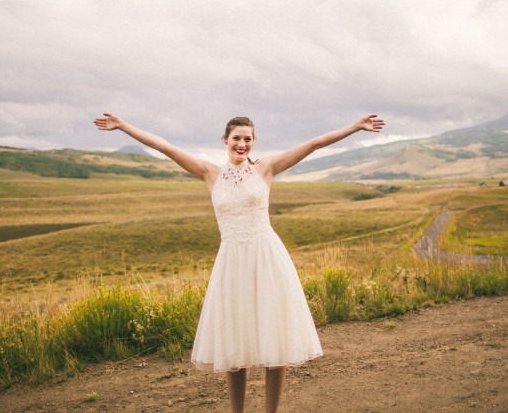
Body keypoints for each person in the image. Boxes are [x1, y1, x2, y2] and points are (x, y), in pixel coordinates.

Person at [93, 112, 385, 413]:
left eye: (248, 139)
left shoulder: (266, 168)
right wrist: (123, 126)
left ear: (254, 142)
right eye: (237, 138)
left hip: (267, 259)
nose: (242, 144)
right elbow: (166, 148)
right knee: (234, 343)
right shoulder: (210, 174)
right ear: (225, 140)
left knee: (275, 341)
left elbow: (314, 143)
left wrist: (354, 127)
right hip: (232, 263)